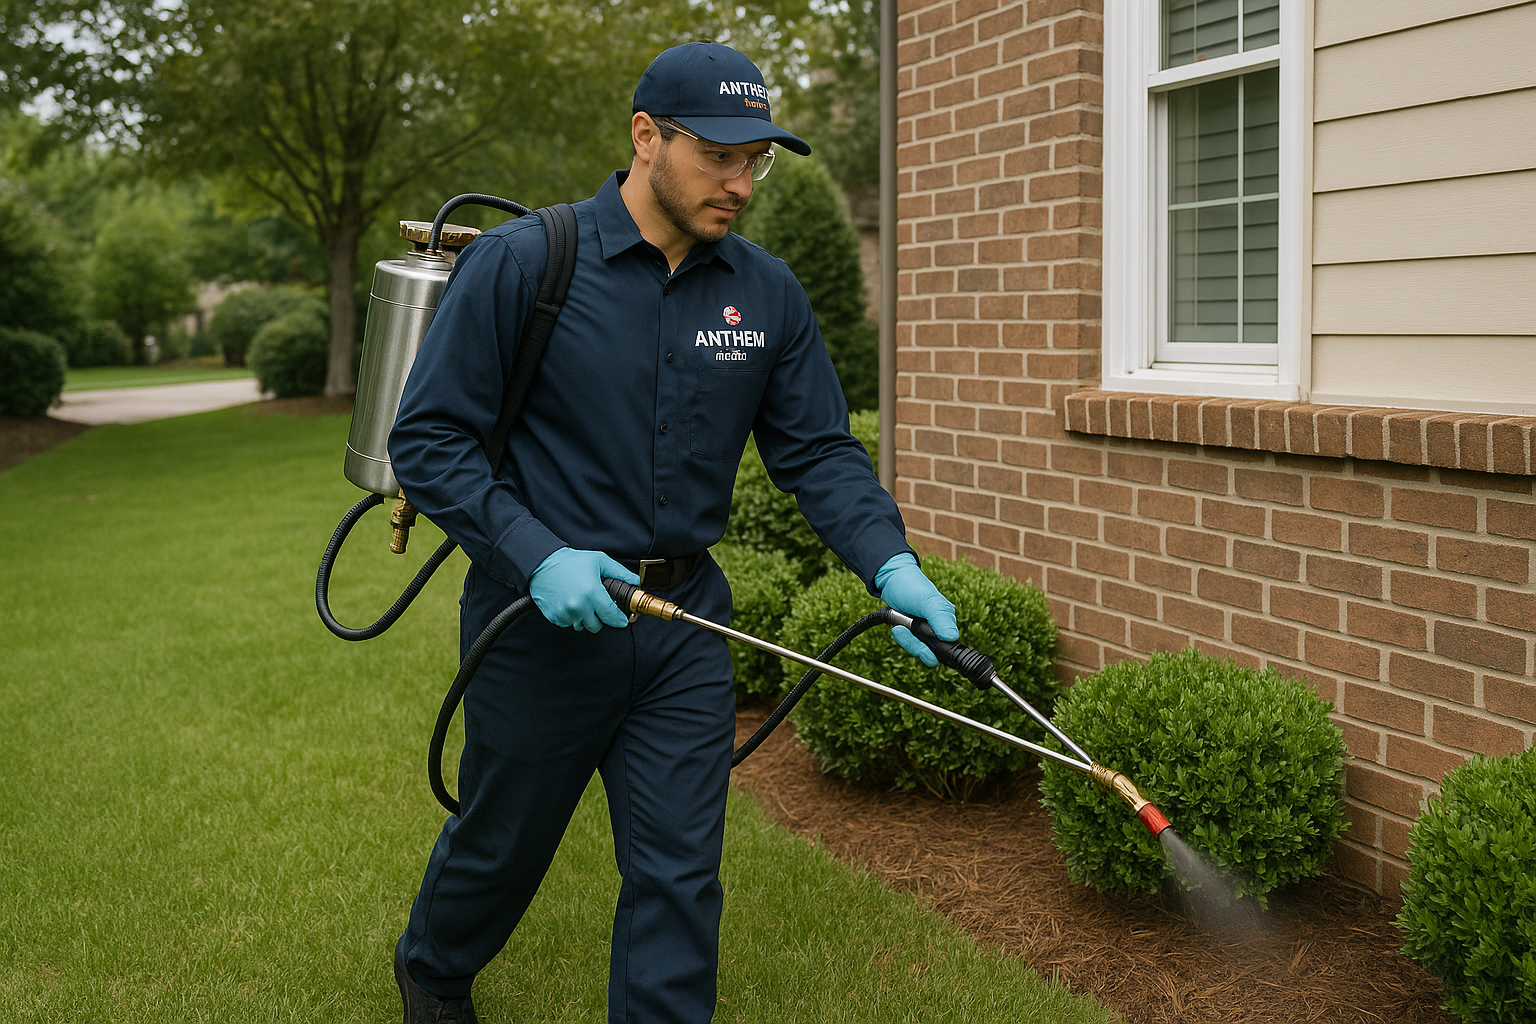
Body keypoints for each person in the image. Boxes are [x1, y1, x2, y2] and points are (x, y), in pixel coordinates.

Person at [387, 41, 959, 1024]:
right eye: (719, 156)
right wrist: (538, 554)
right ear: (646, 138)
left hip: (686, 623)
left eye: (758, 161)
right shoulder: (529, 265)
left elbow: (817, 449)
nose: (741, 183)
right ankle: (435, 965)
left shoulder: (767, 293)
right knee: (504, 839)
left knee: (679, 872)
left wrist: (890, 561)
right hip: (540, 616)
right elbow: (428, 440)